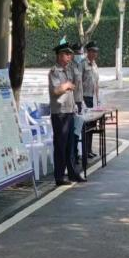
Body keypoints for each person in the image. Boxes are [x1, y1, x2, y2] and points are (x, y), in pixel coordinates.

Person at [48, 40, 86, 186]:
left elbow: (77, 84)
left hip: (69, 111)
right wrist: (67, 85)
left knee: (71, 145)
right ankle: (59, 176)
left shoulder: (69, 70)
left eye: (70, 54)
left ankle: (73, 173)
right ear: (59, 55)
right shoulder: (54, 71)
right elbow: (56, 90)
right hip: (60, 113)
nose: (70, 56)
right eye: (66, 54)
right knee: (60, 146)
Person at [82, 42, 101, 109]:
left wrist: (98, 98)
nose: (95, 53)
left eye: (96, 51)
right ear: (88, 52)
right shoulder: (82, 64)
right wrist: (81, 100)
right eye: (93, 51)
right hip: (85, 97)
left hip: (94, 97)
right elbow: (78, 82)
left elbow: (96, 82)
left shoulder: (95, 65)